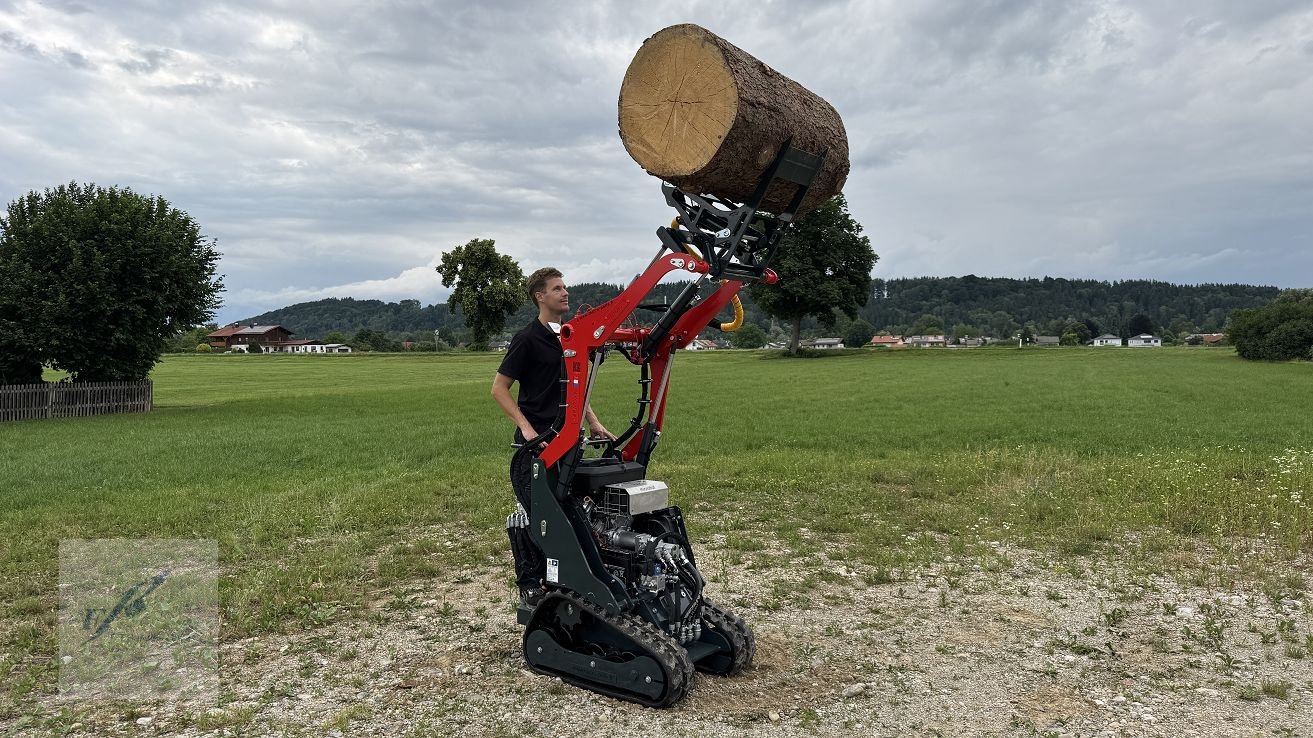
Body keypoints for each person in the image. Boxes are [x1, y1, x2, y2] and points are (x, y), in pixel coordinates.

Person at [492, 267, 612, 606]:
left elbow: (575, 390)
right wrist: (528, 429)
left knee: (570, 515)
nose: (565, 293)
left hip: (567, 444)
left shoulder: (568, 338)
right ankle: (530, 585)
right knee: (537, 517)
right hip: (534, 449)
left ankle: (563, 582)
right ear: (539, 296)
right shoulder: (527, 338)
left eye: (565, 287)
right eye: (557, 288)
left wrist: (594, 421)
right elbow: (498, 389)